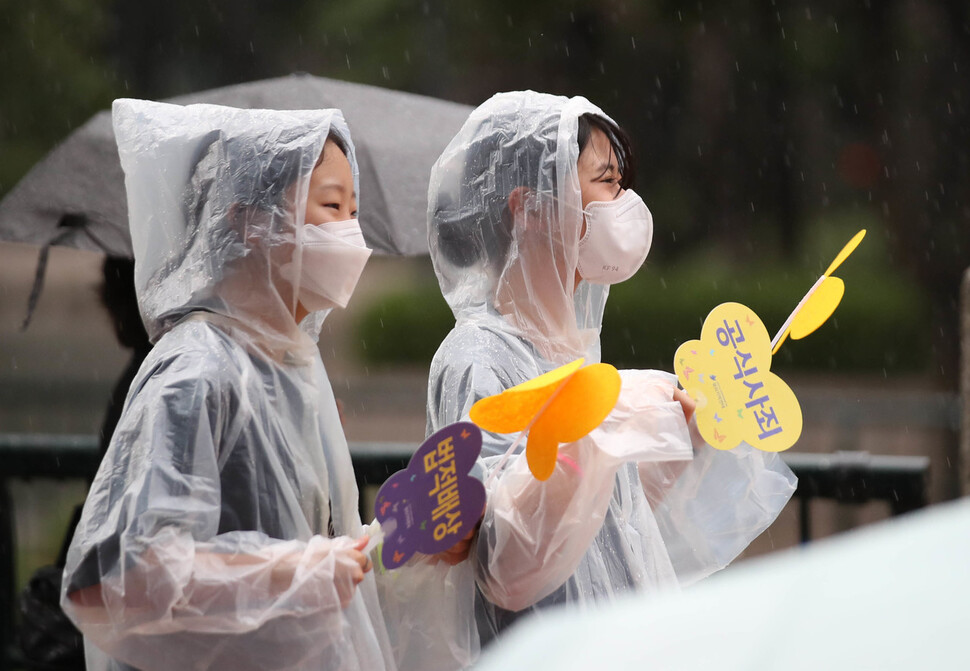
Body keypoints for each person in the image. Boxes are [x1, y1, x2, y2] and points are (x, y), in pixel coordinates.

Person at [425, 91, 797, 650]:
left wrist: (680, 438)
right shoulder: (477, 357)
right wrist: (612, 420)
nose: (623, 201)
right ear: (529, 207)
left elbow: (601, 517)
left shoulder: (568, 350)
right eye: (606, 181)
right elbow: (502, 556)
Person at [60, 99, 395, 671]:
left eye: (354, 212)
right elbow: (112, 577)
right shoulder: (197, 371)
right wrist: (295, 573)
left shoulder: (289, 367)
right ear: (249, 218)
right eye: (332, 207)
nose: (352, 237)